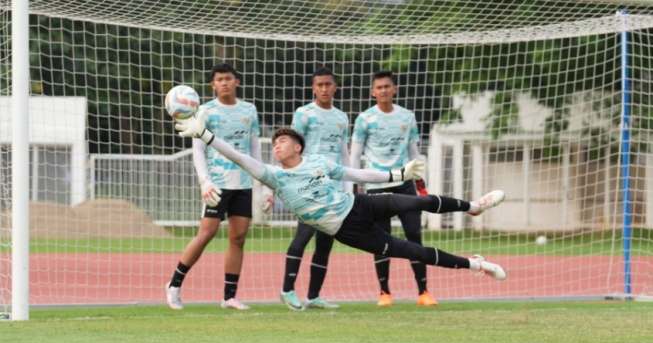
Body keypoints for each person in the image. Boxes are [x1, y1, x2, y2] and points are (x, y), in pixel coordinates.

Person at [174, 115, 508, 297]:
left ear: (297, 145)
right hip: (347, 231)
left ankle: (473, 206)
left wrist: (397, 173)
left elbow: (356, 171)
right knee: (415, 252)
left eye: (282, 141)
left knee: (416, 201)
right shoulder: (274, 176)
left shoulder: (318, 161)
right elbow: (242, 158)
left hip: (360, 205)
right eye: (273, 143)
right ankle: (476, 265)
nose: (276, 146)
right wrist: (206, 136)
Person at [165, 63, 274, 310]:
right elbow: (198, 150)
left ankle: (229, 297)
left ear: (237, 82)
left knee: (238, 238)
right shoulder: (204, 111)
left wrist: (266, 185)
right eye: (219, 79)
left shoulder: (249, 110)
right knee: (206, 234)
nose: (224, 83)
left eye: (228, 78)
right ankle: (174, 285)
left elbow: (254, 148)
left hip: (243, 184)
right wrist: (204, 181)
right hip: (216, 184)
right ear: (212, 85)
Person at [350, 70, 435, 307]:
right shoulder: (364, 119)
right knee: (381, 240)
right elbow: (355, 156)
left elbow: (414, 153)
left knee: (414, 236)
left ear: (394, 89)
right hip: (377, 187)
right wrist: (354, 188)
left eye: (387, 86)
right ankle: (384, 293)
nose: (383, 91)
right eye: (379, 87)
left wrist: (421, 187)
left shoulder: (407, 117)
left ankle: (423, 292)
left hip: (405, 186)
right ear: (372, 92)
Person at [279, 67, 350, 311]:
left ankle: (313, 296)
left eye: (328, 84)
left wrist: (348, 186)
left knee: (325, 242)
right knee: (304, 234)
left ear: (335, 87)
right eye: (319, 85)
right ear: (313, 88)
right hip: (308, 186)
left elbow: (344, 152)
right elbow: (291, 147)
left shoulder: (342, 117)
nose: (324, 89)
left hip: (333, 188)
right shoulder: (304, 114)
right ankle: (287, 290)